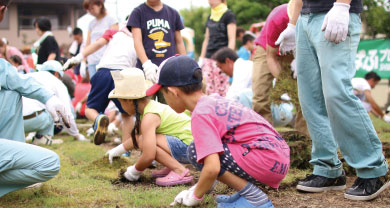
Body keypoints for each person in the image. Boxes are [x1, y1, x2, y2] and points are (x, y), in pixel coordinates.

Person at [277, 0, 390, 200]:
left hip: (333, 12)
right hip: (305, 19)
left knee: (337, 93)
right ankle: (327, 168)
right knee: (310, 98)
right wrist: (292, 24)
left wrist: (342, 5)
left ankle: (373, 169)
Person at [146, 55, 289, 207]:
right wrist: (202, 186)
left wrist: (193, 197)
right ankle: (244, 193)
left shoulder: (200, 113)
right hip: (276, 157)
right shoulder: (213, 101)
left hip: (266, 160)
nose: (164, 99)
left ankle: (255, 198)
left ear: (173, 91)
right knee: (206, 149)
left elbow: (212, 168)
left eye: (163, 94)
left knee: (195, 151)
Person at [0, 0, 64, 197]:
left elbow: (15, 80)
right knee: (50, 162)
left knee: (11, 92)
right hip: (39, 119)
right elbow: (17, 80)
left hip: (25, 123)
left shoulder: (8, 69)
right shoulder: (56, 81)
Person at [105, 68, 194, 186]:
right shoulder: (150, 108)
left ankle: (179, 170)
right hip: (191, 143)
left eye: (120, 102)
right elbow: (138, 138)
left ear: (129, 101)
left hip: (191, 148)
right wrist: (117, 151)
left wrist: (134, 171)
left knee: (146, 143)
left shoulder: (149, 117)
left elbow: (148, 155)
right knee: (146, 139)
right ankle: (171, 166)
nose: (121, 106)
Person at [64, 21, 137, 146]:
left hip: (104, 71)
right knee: (126, 114)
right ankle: (126, 150)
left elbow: (98, 44)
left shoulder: (115, 32)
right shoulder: (139, 40)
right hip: (123, 74)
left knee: (90, 109)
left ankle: (98, 118)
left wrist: (79, 58)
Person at [252, 3, 308, 135]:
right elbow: (271, 58)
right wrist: (285, 83)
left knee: (305, 95)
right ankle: (265, 138)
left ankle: (304, 139)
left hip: (293, 52)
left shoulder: (311, 18)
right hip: (267, 50)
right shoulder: (278, 17)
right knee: (260, 94)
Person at [127, 0, 186, 103]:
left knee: (170, 109)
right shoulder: (138, 12)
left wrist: (185, 64)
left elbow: (179, 42)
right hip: (146, 72)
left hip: (169, 71)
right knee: (146, 107)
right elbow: (137, 41)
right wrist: (146, 64)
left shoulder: (173, 13)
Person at [28, 60, 87, 142]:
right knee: (53, 110)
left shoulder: (29, 76)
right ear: (56, 74)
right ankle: (42, 138)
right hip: (37, 120)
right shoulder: (58, 83)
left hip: (16, 120)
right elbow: (66, 113)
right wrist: (76, 135)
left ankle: (31, 135)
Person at [199, 0, 236, 97]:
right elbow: (206, 39)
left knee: (221, 88)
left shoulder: (229, 15)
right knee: (207, 87)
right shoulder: (210, 16)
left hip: (221, 59)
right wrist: (201, 58)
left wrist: (228, 57)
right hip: (208, 58)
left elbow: (232, 38)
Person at [83, 0, 118, 79]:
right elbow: (88, 43)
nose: (91, 11)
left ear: (100, 5)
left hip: (107, 61)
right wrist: (83, 61)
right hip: (92, 62)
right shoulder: (91, 23)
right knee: (95, 87)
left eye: (92, 8)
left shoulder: (111, 20)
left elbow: (116, 41)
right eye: (89, 10)